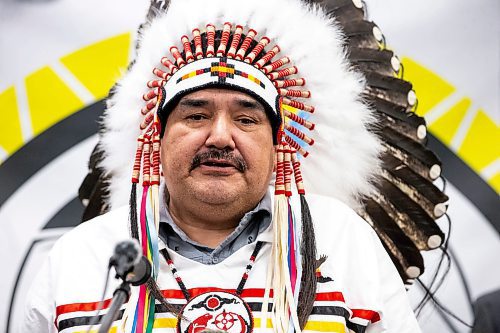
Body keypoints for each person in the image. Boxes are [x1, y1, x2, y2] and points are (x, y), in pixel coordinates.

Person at [21, 0, 423, 332]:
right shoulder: (83, 255)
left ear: (277, 144)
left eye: (246, 119)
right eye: (195, 116)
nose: (219, 137)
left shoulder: (341, 239)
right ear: (157, 139)